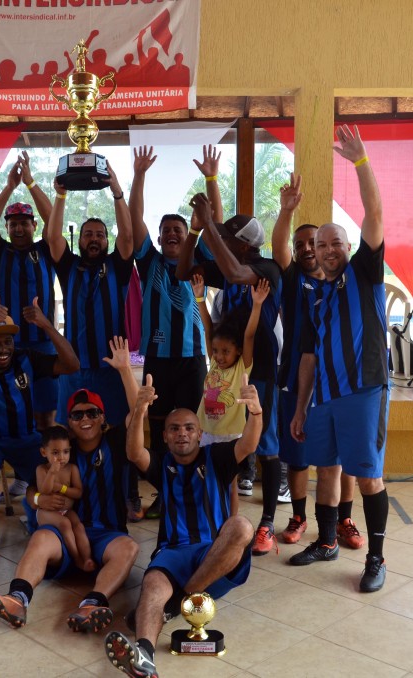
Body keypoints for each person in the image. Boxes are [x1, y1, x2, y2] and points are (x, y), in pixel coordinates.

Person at [104, 372, 262, 677]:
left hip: (214, 555)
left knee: (242, 526)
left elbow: (249, 442)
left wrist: (255, 413)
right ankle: (144, 658)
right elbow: (134, 452)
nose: (182, 434)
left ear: (200, 434)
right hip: (173, 553)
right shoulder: (162, 464)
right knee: (152, 584)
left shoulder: (217, 457)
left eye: (189, 428)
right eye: (174, 429)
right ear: (165, 436)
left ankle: (177, 601)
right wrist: (139, 410)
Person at [289, 125, 390, 593]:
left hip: (364, 390)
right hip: (324, 398)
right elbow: (308, 357)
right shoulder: (316, 297)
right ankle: (327, 541)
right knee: (325, 469)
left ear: (348, 248)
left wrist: (360, 163)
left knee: (367, 476)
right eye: (321, 245)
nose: (328, 250)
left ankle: (376, 558)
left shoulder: (364, 274)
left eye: (335, 243)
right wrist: (300, 407)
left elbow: (375, 213)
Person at [0, 372, 139, 634]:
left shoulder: (116, 443)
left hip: (108, 534)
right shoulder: (62, 450)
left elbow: (136, 414)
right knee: (40, 538)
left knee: (130, 548)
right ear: (69, 422)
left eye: (92, 412)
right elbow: (32, 489)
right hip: (64, 534)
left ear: (103, 417)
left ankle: (91, 604)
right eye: (77, 415)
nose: (85, 419)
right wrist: (38, 498)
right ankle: (18, 598)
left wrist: (124, 369)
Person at [179, 191, 284, 556]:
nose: (219, 242)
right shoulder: (227, 269)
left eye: (225, 238)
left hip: (259, 370)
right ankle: (226, 518)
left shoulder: (267, 269)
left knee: (265, 445)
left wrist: (209, 222)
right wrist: (196, 231)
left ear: (243, 246)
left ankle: (266, 524)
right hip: (227, 368)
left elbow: (238, 274)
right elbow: (183, 272)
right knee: (228, 444)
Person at [271, 176, 366, 550]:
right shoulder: (293, 279)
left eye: (313, 242)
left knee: (339, 459)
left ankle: (344, 520)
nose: (307, 248)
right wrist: (286, 211)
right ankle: (298, 517)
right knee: (297, 458)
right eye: (301, 245)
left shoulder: (343, 282)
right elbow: (278, 246)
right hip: (295, 379)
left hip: (336, 382)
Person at [129, 145, 220, 519]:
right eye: (165, 230)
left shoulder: (200, 263)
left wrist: (211, 179)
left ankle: (194, 493)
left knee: (191, 428)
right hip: (158, 362)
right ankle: (165, 495)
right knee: (161, 430)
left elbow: (215, 225)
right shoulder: (148, 260)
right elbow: (134, 218)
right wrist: (139, 175)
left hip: (193, 360)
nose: (170, 234)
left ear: (186, 236)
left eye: (177, 230)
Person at [0, 299, 79, 553]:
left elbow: (72, 364)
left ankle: (34, 511)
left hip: (26, 438)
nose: (2, 348)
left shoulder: (26, 358)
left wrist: (46, 325)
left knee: (51, 471)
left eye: (7, 341)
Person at [46, 168, 134, 427]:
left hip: (112, 368)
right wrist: (60, 196)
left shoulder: (118, 266)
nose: (94, 239)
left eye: (100, 235)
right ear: (80, 241)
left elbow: (128, 236)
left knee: (115, 429)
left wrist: (117, 192)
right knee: (71, 430)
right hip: (73, 367)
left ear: (107, 241)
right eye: (88, 234)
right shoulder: (69, 266)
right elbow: (53, 237)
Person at [0, 152, 58, 431]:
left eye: (24, 223)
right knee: (13, 411)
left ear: (34, 226)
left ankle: (46, 458)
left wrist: (30, 183)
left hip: (43, 342)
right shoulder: (0, 252)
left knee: (46, 415)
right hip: (8, 344)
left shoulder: (46, 249)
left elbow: (53, 219)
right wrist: (9, 187)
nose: (19, 228)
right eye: (13, 224)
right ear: (7, 227)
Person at [193, 275, 267, 447]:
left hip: (231, 436)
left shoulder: (242, 368)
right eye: (216, 351)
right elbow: (208, 329)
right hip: (207, 432)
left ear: (238, 351)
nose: (219, 356)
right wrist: (199, 298)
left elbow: (249, 336)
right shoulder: (214, 363)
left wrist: (257, 304)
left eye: (226, 352)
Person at [35, 425, 93, 571]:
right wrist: (52, 474)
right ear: (44, 452)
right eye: (55, 452)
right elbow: (44, 491)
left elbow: (78, 493)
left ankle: (87, 558)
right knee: (65, 524)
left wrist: (61, 488)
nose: (61, 457)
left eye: (66, 451)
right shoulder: (42, 470)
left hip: (66, 510)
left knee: (78, 526)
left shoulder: (72, 469)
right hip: (46, 512)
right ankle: (76, 559)